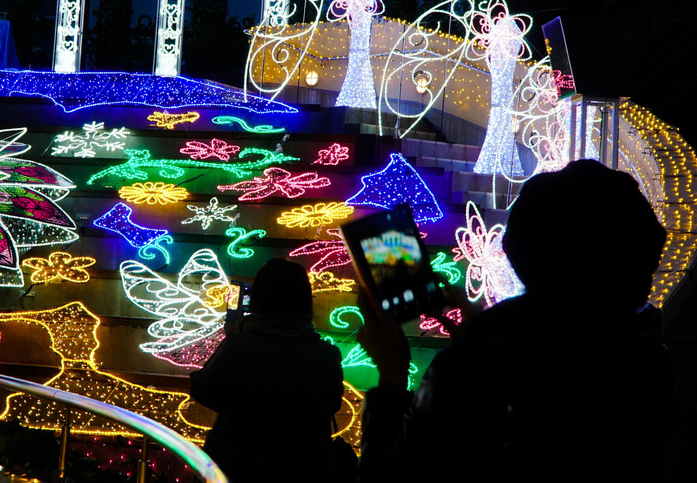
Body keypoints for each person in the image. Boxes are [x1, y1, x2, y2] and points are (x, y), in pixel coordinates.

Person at [357, 160, 674, 482]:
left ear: (520, 253)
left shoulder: (476, 367)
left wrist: (392, 377)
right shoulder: (650, 357)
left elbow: (385, 481)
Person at [190, 258, 344, 482]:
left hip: (238, 468)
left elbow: (202, 388)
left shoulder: (240, 348)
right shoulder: (327, 355)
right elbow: (332, 405)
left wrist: (233, 337)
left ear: (258, 300)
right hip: (305, 470)